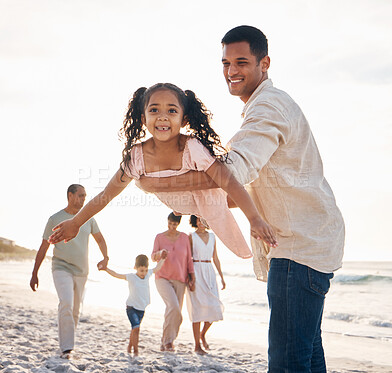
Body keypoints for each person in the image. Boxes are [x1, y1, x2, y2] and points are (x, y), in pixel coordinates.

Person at [137, 26, 345, 373]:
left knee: (287, 362)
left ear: (264, 63)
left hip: (299, 248)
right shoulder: (264, 107)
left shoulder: (268, 108)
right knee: (307, 355)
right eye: (225, 63)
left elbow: (233, 170)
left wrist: (156, 182)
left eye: (241, 62)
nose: (231, 71)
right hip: (309, 242)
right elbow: (238, 190)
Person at [48, 82, 278, 256]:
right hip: (180, 203)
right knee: (224, 199)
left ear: (184, 119)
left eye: (171, 111)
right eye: (154, 110)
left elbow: (226, 180)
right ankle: (249, 202)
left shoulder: (191, 147)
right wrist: (76, 223)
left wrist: (254, 219)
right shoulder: (137, 156)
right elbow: (106, 195)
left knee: (232, 196)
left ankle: (266, 194)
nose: (162, 117)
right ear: (143, 117)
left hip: (208, 199)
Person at [30, 184, 109, 359]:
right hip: (61, 266)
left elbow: (100, 239)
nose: (83, 199)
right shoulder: (55, 218)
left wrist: (105, 257)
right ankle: (67, 348)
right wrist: (35, 273)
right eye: (80, 196)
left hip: (82, 271)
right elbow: (44, 247)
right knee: (66, 302)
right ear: (70, 196)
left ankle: (67, 343)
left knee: (74, 311)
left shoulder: (89, 219)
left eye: (85, 196)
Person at [99, 252, 167, 355]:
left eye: (144, 270)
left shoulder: (148, 274)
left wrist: (163, 258)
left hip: (141, 308)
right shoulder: (131, 277)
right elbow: (117, 275)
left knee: (134, 329)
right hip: (131, 308)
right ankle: (136, 351)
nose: (143, 273)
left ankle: (130, 346)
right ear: (135, 267)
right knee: (136, 328)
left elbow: (157, 268)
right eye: (141, 270)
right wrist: (106, 269)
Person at [151, 212, 194, 352]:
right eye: (170, 223)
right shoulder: (159, 237)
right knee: (173, 307)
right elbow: (153, 256)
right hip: (162, 277)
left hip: (181, 279)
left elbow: (189, 259)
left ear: (178, 224)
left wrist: (192, 277)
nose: (171, 226)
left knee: (174, 311)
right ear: (167, 221)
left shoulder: (184, 238)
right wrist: (159, 254)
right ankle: (168, 342)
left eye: (174, 224)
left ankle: (167, 340)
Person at [186, 215, 225, 355]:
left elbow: (215, 258)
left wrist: (221, 276)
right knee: (197, 309)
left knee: (214, 307)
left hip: (209, 273)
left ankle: (203, 334)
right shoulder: (191, 236)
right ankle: (197, 345)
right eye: (198, 219)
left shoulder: (213, 236)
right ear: (194, 221)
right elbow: (188, 258)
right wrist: (190, 277)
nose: (201, 222)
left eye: (203, 219)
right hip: (196, 271)